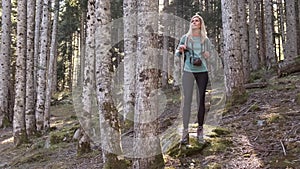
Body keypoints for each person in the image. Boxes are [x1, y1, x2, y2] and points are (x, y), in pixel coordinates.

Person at [175, 13, 213, 144]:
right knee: (187, 101)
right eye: (192, 20)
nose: (194, 22)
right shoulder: (185, 38)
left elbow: (210, 55)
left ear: (201, 24)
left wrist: (207, 54)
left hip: (202, 72)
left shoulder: (205, 39)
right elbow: (177, 54)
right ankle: (185, 133)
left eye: (196, 21)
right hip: (188, 72)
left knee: (201, 101)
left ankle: (200, 131)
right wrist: (181, 49)